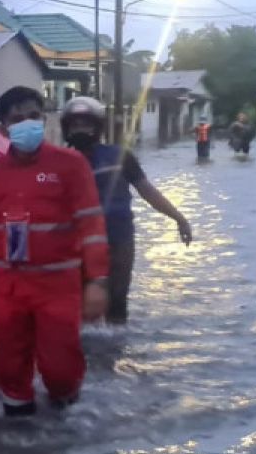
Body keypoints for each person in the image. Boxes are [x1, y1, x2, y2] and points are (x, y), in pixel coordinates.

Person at [0, 86, 109, 416]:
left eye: (33, 116)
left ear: (44, 120)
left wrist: (97, 282)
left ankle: (65, 421)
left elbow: (92, 227)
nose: (27, 124)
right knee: (9, 366)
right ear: (3, 129)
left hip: (57, 285)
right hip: (7, 286)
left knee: (61, 368)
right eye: (17, 119)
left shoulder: (71, 165)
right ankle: (18, 442)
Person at [61, 97, 193, 325]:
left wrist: (179, 218)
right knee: (78, 306)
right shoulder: (58, 162)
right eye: (75, 125)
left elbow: (147, 191)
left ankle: (115, 354)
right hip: (76, 244)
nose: (81, 129)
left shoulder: (121, 156)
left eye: (86, 124)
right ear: (67, 129)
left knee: (117, 303)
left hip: (118, 240)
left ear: (98, 127)